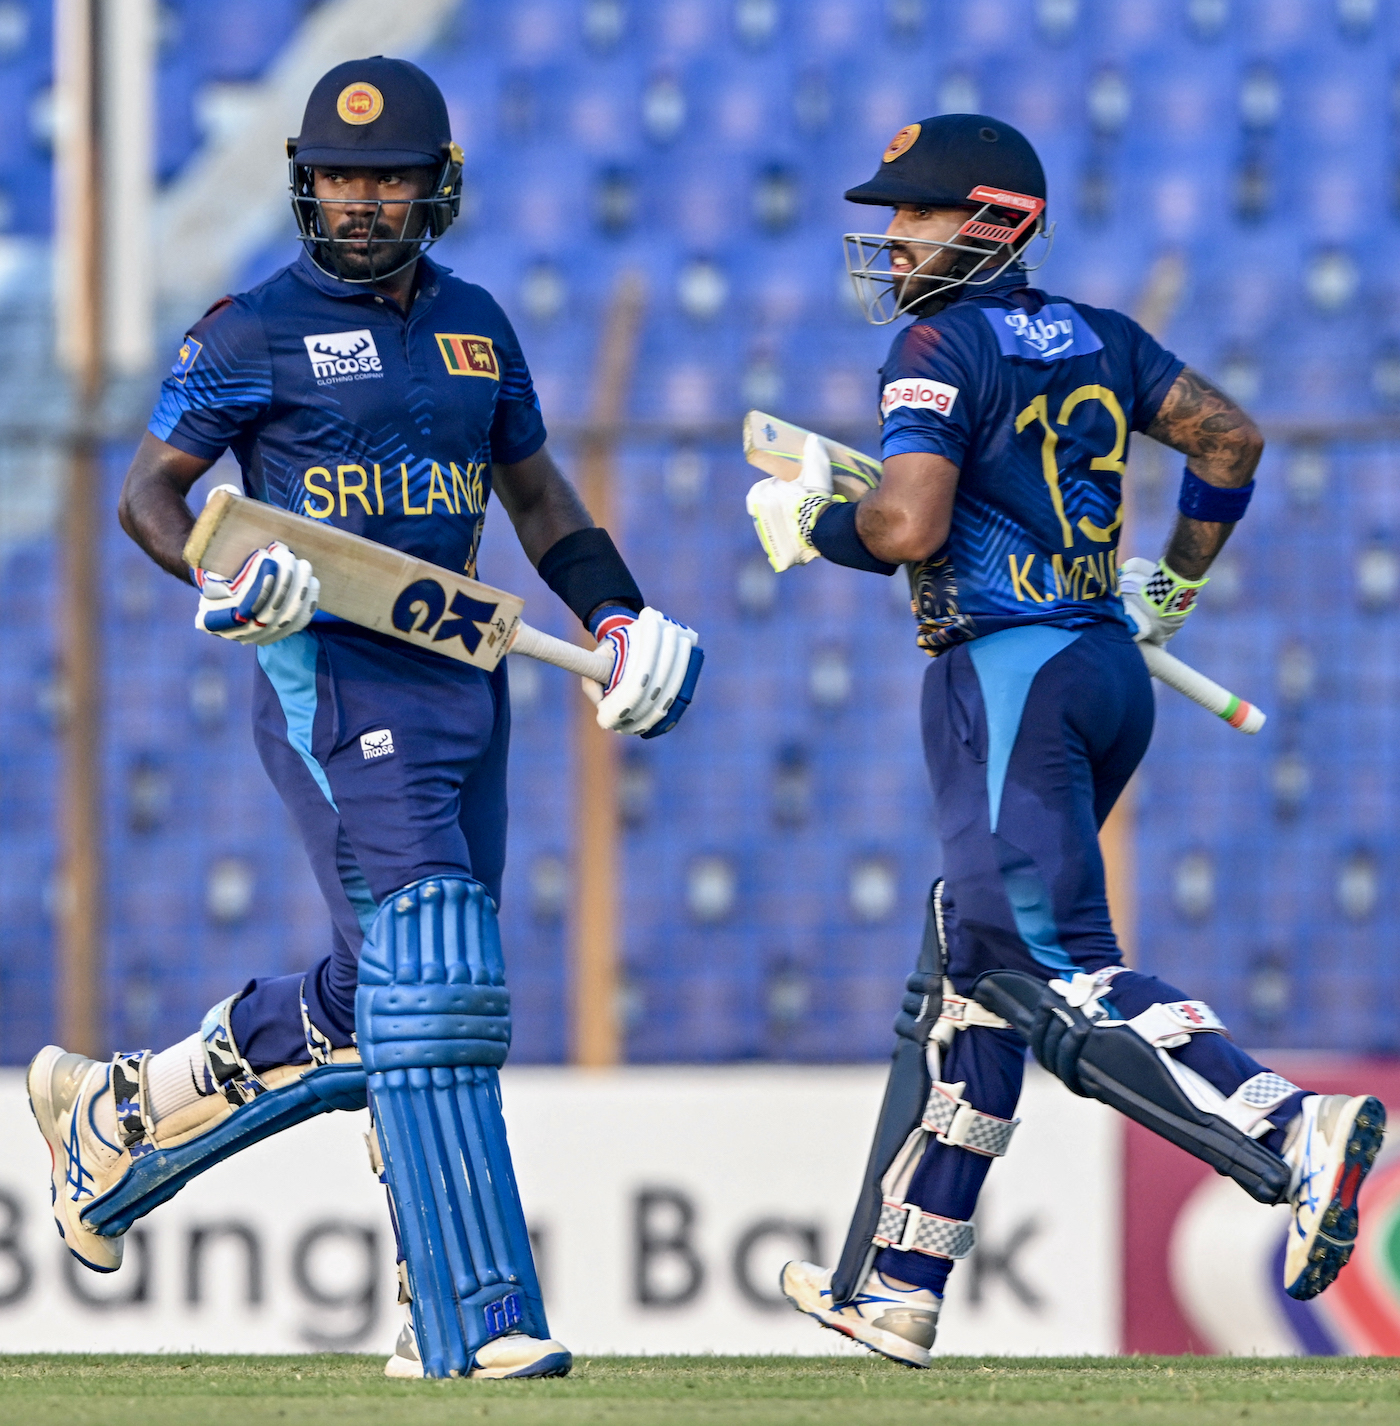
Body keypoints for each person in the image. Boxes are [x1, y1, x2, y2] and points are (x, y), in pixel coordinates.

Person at [27, 56, 702, 1381]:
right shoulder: (249, 330)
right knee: (436, 976)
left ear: (434, 188)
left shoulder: (476, 326)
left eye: (387, 180)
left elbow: (538, 498)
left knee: (385, 997)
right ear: (304, 183)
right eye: (338, 178)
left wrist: (619, 615)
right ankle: (470, 1314)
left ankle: (122, 1113)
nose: (359, 201)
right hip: (329, 675)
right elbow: (150, 496)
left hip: (464, 677)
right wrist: (220, 579)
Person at [745, 113, 1384, 1368]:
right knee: (971, 965)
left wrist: (811, 524)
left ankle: (1285, 1128)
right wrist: (1173, 587)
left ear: (990, 223)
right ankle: (897, 1281)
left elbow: (907, 525)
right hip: (1099, 667)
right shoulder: (1101, 333)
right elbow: (1229, 438)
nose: (892, 239)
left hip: (1007, 673)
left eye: (914, 214)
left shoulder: (934, 343)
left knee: (1049, 962)